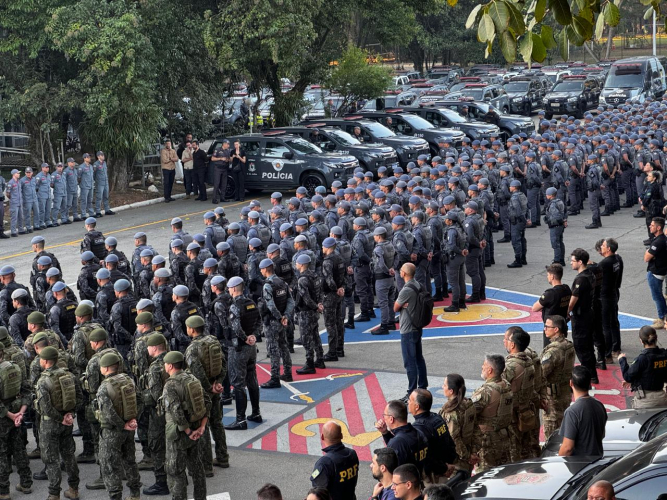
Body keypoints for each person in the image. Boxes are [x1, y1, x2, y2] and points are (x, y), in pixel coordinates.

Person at [161, 350, 210, 500]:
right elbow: (207, 402)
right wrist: (201, 427)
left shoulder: (170, 385)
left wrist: (188, 431)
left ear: (169, 366)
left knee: (176, 471)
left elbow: (176, 412)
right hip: (196, 428)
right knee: (197, 468)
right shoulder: (192, 378)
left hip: (178, 435)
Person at [34, 346, 81, 500]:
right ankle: (74, 489)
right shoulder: (70, 376)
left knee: (51, 459)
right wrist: (70, 415)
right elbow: (80, 398)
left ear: (46, 361)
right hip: (67, 423)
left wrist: (60, 418)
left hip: (50, 425)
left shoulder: (43, 380)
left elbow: (46, 408)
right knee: (69, 456)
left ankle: (54, 494)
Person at [184, 315, 229, 473]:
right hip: (215, 387)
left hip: (202, 392)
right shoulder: (213, 341)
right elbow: (223, 363)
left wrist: (209, 387)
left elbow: (197, 371)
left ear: (192, 329)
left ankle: (206, 465)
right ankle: (223, 457)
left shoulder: (192, 348)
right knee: (217, 422)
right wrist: (218, 382)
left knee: (202, 426)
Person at [96, 352, 142, 500]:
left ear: (106, 368)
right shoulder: (129, 380)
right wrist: (133, 420)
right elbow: (139, 401)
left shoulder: (104, 387)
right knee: (130, 461)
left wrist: (123, 425)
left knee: (110, 466)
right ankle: (135, 494)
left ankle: (116, 496)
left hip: (112, 431)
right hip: (128, 429)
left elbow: (109, 414)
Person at [224, 276, 262, 430]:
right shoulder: (251, 303)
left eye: (229, 288)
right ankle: (256, 413)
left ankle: (240, 420)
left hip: (239, 348)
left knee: (238, 383)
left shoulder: (235, 306)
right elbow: (259, 322)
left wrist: (245, 338)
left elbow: (235, 327)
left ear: (233, 289)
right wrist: (253, 336)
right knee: (252, 379)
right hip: (251, 348)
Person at [0, 343, 33, 498]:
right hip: (17, 413)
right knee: (19, 450)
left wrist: (10, 415)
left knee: (2, 454)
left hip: (3, 417)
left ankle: (4, 491)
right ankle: (26, 483)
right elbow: (27, 390)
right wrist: (20, 412)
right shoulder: (15, 368)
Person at [470, 354, 513, 472]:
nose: (481, 367)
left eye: (484, 366)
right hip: (504, 437)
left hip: (488, 442)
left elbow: (470, 413)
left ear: (490, 370)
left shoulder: (485, 392)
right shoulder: (506, 385)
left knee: (485, 476)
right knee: (503, 473)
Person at [502, 327, 537, 462]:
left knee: (513, 453)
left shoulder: (510, 366)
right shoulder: (529, 361)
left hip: (512, 417)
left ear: (513, 344)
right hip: (526, 412)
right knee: (526, 450)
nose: (504, 341)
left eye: (506, 339)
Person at [394, 263, 428, 400]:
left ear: (404, 274)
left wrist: (401, 304)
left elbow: (395, 308)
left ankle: (411, 391)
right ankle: (423, 386)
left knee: (409, 362)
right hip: (417, 326)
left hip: (407, 328)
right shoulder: (418, 285)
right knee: (419, 358)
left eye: (401, 270)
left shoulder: (405, 290)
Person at [142, 332, 170, 495]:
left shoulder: (154, 367)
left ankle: (161, 482)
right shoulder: (175, 360)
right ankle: (179, 476)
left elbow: (155, 396)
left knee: (157, 445)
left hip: (158, 413)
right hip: (174, 410)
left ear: (154, 348)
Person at [259, 259, 294, 388]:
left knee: (273, 349)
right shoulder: (283, 283)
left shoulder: (268, 285)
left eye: (261, 269)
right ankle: (288, 373)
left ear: (266, 269)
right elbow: (291, 302)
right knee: (283, 346)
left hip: (272, 322)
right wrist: (286, 316)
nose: (261, 271)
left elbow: (271, 306)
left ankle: (275, 378)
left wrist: (280, 317)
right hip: (282, 321)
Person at [408, 389, 455, 484]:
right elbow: (449, 442)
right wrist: (449, 465)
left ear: (417, 407)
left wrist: (444, 468)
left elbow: (427, 456)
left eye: (410, 400)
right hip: (445, 468)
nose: (408, 402)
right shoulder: (437, 418)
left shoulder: (419, 428)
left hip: (434, 476)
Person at [558, 366, 607, 457]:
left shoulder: (572, 412)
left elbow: (567, 448)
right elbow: (601, 435)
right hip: (598, 462)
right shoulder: (599, 405)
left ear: (571, 383)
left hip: (579, 465)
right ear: (589, 383)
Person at [541, 315, 575, 440]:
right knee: (563, 427)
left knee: (551, 433)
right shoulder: (568, 345)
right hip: (565, 392)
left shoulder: (553, 351)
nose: (545, 329)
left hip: (553, 398)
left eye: (547, 326)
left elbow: (541, 373)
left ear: (556, 329)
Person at [568, 249, 599, 383]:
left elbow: (573, 300)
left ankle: (588, 375)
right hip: (589, 314)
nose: (570, 263)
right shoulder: (590, 274)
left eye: (573, 261)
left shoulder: (580, 279)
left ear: (580, 262)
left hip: (581, 317)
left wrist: (567, 312)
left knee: (581, 346)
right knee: (588, 346)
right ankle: (592, 373)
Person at [309, 421, 359, 500]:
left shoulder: (324, 463)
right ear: (341, 436)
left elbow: (318, 492)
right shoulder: (352, 454)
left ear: (322, 437)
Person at [619, 326, 667, 408]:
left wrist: (622, 360)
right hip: (662, 397)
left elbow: (627, 376)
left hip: (645, 400)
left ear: (641, 341)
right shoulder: (664, 354)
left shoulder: (642, 358)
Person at [374, 400, 428, 472]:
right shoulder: (418, 432)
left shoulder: (398, 442)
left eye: (384, 415)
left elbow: (393, 471)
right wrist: (385, 433)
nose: (384, 419)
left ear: (391, 419)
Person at [294, 255, 326, 374]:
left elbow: (306, 298)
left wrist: (316, 306)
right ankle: (320, 359)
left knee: (306, 338)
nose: (296, 264)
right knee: (315, 335)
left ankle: (309, 363)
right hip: (314, 311)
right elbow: (321, 292)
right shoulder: (315, 276)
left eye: (297, 262)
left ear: (302, 264)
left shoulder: (302, 279)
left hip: (306, 312)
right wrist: (319, 304)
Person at [532, 264, 572, 347]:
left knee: (550, 351)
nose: (547, 277)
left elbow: (535, 308)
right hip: (563, 324)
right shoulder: (566, 289)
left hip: (551, 328)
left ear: (552, 276)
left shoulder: (550, 293)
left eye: (548, 275)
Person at [598, 238, 623, 363]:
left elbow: (594, 275)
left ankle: (607, 355)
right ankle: (616, 347)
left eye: (603, 245)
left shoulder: (604, 263)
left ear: (608, 248)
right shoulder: (618, 259)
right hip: (614, 293)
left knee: (605, 325)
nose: (601, 247)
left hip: (605, 296)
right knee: (614, 321)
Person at [644, 217, 667, 329]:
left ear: (658, 227)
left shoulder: (658, 242)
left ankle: (661, 318)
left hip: (655, 272)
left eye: (652, 225)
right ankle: (663, 316)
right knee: (659, 295)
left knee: (657, 296)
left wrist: (647, 252)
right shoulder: (662, 238)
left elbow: (647, 258)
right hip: (660, 270)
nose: (650, 226)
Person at [544, 186, 567, 265]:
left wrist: (549, 221)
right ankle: (561, 259)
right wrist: (564, 220)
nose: (546, 196)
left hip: (555, 225)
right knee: (560, 242)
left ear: (550, 195)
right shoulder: (559, 201)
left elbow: (555, 216)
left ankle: (557, 260)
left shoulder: (553, 204)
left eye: (547, 194)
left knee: (555, 243)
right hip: (560, 225)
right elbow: (564, 212)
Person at [93, 151, 114, 217]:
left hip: (105, 182)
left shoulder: (104, 163)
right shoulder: (95, 164)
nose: (103, 156)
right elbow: (93, 174)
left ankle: (107, 210)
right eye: (101, 155)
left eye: (103, 155)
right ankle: (98, 212)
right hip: (99, 183)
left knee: (106, 196)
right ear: (98, 156)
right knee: (99, 197)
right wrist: (96, 181)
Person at [7, 169, 26, 236]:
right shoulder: (10, 182)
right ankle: (13, 231)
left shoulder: (19, 182)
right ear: (14, 174)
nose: (19, 174)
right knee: (14, 217)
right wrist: (12, 199)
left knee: (21, 216)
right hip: (14, 202)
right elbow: (8, 193)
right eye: (17, 173)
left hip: (20, 201)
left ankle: (21, 229)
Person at [211, 140, 231, 204]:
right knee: (217, 184)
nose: (228, 145)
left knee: (224, 184)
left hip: (225, 168)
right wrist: (220, 158)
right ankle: (214, 199)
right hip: (218, 168)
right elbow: (212, 158)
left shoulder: (228, 151)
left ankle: (223, 198)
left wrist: (228, 160)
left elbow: (229, 159)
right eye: (227, 144)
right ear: (224, 144)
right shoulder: (217, 150)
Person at [21, 166, 40, 232]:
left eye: (29, 172)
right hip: (27, 200)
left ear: (32, 173)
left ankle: (36, 225)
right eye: (27, 172)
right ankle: (28, 227)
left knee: (37, 212)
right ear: (25, 173)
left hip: (34, 199)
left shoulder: (34, 179)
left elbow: (37, 187)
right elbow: (20, 190)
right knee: (27, 214)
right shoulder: (22, 180)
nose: (28, 173)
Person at [35, 162, 53, 229]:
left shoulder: (48, 175)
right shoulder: (38, 176)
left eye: (48, 167)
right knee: (42, 210)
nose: (47, 168)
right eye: (46, 167)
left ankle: (47, 221)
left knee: (48, 209)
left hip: (48, 195)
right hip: (42, 195)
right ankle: (41, 222)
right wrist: (39, 194)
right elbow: (36, 187)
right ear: (42, 168)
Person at [78, 153, 95, 218]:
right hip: (84, 186)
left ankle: (91, 213)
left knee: (90, 200)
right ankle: (83, 214)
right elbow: (79, 177)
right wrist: (81, 184)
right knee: (84, 200)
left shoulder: (90, 166)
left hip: (90, 185)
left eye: (89, 157)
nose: (89, 158)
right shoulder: (81, 167)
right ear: (84, 158)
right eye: (88, 157)